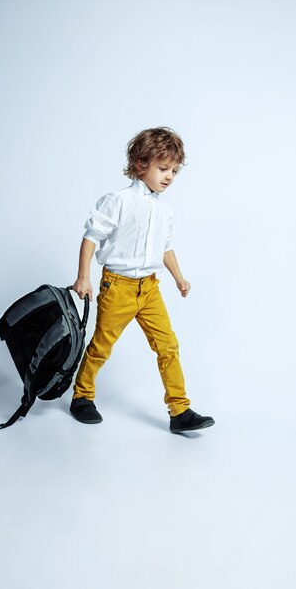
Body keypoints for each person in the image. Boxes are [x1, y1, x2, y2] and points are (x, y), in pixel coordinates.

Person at [70, 127, 215, 433]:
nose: (169, 176)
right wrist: (84, 277)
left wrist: (179, 278)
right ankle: (82, 397)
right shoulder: (118, 201)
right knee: (101, 346)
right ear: (140, 164)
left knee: (168, 345)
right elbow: (91, 237)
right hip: (118, 287)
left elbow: (165, 247)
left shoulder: (165, 210)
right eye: (163, 168)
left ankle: (180, 411)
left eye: (174, 170)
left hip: (149, 289)